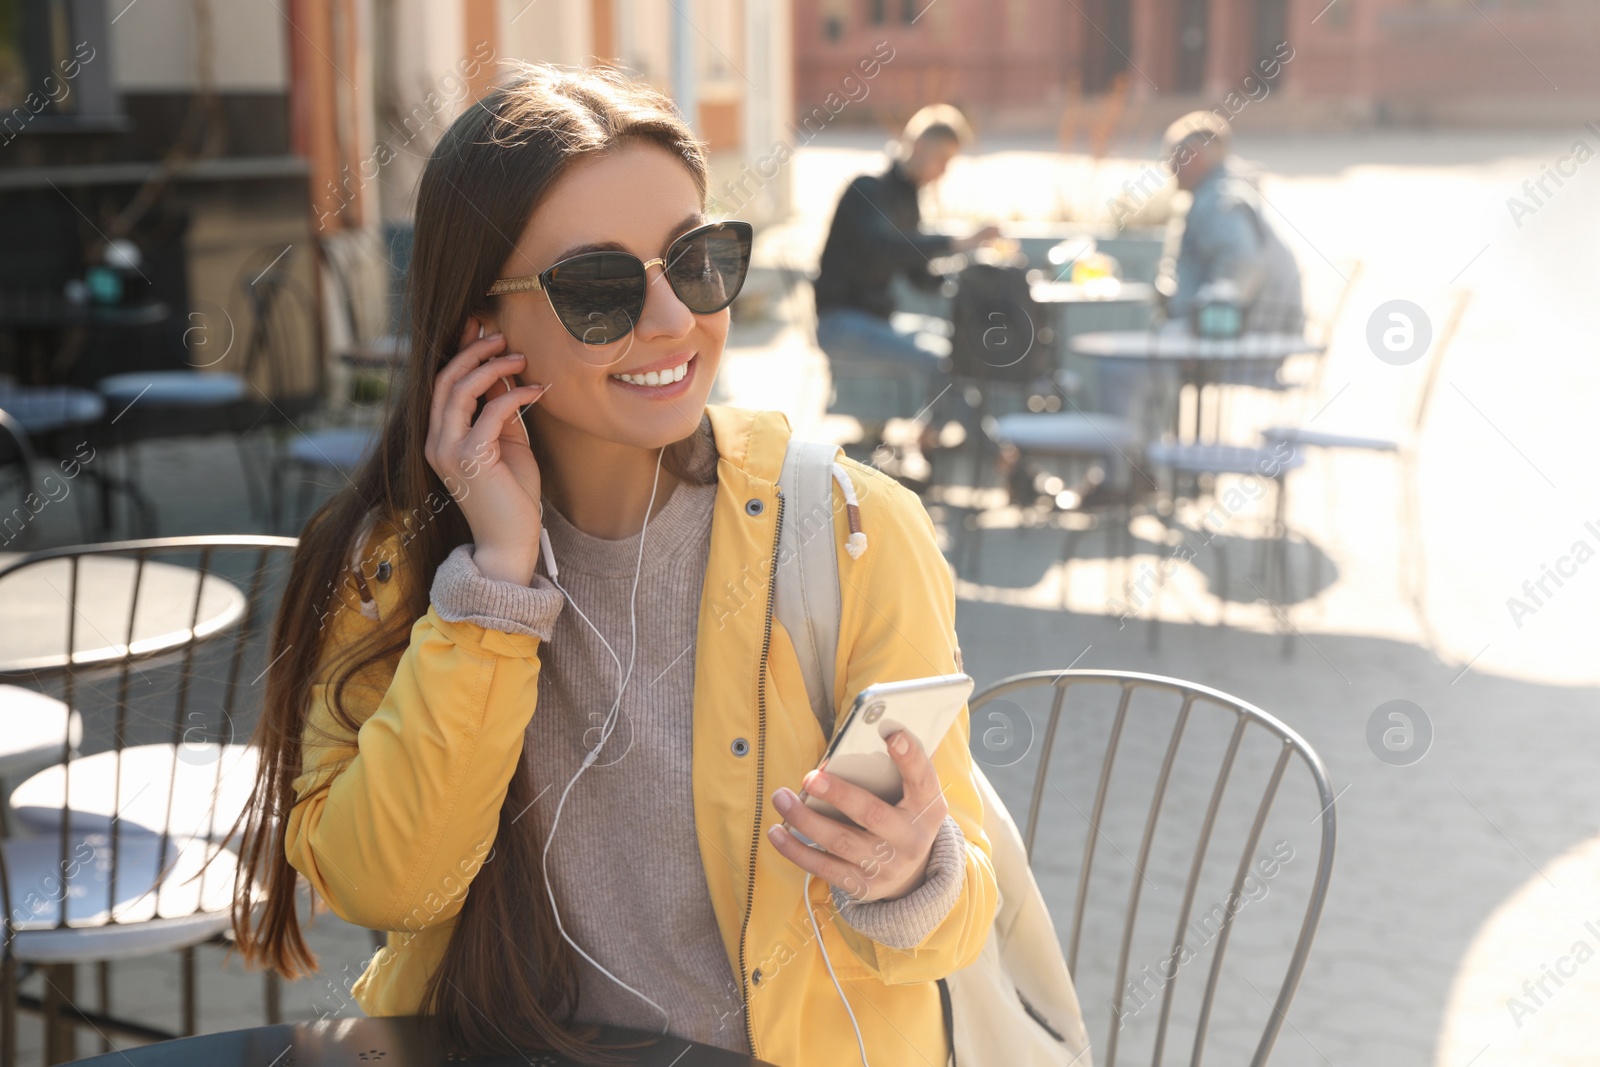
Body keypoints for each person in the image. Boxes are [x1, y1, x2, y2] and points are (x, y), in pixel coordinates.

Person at [232, 63, 997, 1067]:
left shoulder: (855, 531)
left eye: (697, 258)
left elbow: (957, 921)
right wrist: (495, 584)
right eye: (597, 290)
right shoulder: (394, 562)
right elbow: (387, 886)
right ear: (480, 329)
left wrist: (906, 874)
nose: (674, 319)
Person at [812, 104, 998, 420]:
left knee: (958, 343)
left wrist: (966, 276)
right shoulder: (867, 190)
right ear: (919, 146)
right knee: (940, 360)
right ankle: (991, 452)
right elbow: (884, 247)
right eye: (943, 159)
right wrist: (955, 241)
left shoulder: (909, 201)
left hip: (878, 320)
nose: (944, 171)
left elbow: (918, 276)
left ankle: (931, 434)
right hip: (841, 322)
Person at [1160, 110, 1304, 334]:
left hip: (1244, 341)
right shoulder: (1223, 191)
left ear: (1195, 156)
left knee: (1116, 367)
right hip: (1260, 333)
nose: (1169, 168)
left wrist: (1211, 328)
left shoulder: (1218, 201)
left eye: (1173, 158)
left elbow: (1243, 263)